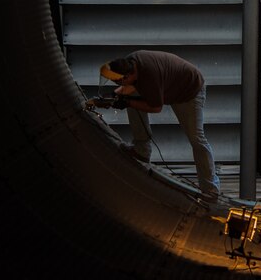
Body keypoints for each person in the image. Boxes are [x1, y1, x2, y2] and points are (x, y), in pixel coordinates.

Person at [88, 50, 221, 196]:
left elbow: (156, 107)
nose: (117, 84)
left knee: (197, 138)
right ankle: (142, 149)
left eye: (118, 82)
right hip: (169, 87)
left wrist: (127, 102)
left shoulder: (149, 76)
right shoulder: (131, 62)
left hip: (189, 91)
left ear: (128, 75)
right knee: (130, 98)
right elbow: (129, 87)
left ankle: (210, 188)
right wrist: (114, 96)